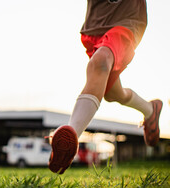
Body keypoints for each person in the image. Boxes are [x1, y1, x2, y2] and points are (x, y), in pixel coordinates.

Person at [48, 0, 163, 174]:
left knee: (101, 62)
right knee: (113, 94)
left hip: (127, 22)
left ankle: (71, 136)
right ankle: (150, 110)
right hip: (94, 28)